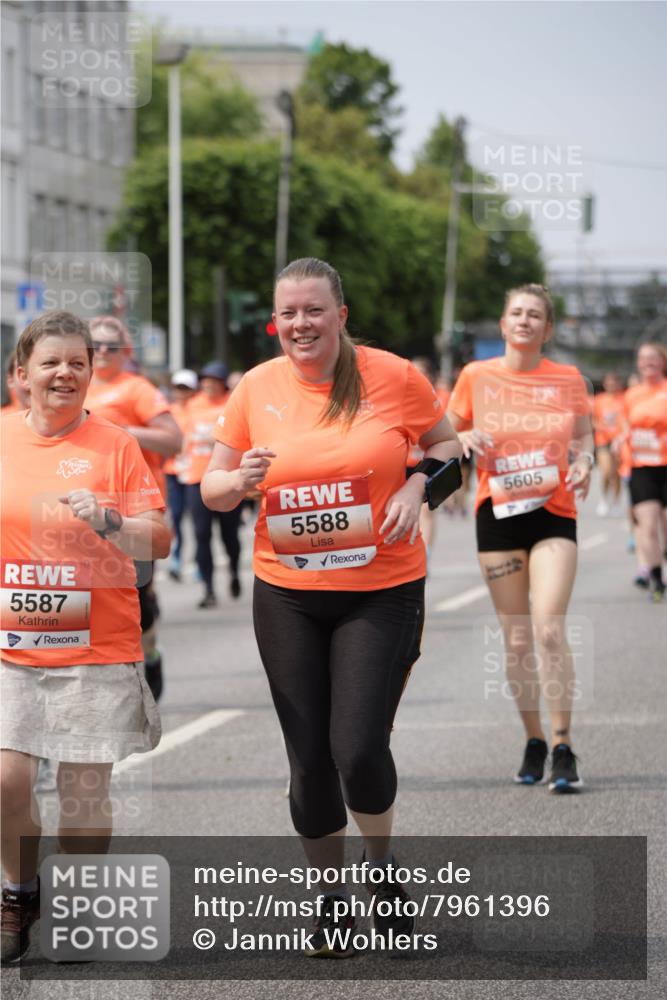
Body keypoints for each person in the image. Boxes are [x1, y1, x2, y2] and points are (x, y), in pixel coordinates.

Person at [201, 257, 461, 956]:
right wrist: (238, 479)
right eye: (287, 313)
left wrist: (416, 487)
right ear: (275, 321)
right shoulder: (256, 386)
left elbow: (448, 448)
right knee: (309, 759)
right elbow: (212, 489)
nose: (300, 324)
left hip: (381, 590)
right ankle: (330, 900)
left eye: (313, 310)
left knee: (358, 749)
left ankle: (380, 867)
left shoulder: (393, 376)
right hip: (286, 593)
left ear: (340, 316)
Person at [0, 310, 171, 964]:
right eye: (51, 362)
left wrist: (110, 520)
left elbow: (158, 539)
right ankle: (19, 891)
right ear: (22, 374)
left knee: (82, 794)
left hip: (95, 647)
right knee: (6, 781)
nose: (65, 372)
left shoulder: (115, 445)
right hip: (11, 646)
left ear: (92, 373)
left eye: (78, 362)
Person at [447, 283, 593, 793]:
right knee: (515, 637)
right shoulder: (476, 376)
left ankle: (563, 745)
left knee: (549, 628)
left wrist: (585, 460)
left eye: (534, 315)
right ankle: (533, 738)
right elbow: (441, 434)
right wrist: (461, 436)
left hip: (554, 513)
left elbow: (583, 434)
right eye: (516, 313)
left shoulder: (568, 378)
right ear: (504, 324)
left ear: (547, 330)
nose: (524, 320)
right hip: (498, 516)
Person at [85, 316, 182, 701]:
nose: (102, 352)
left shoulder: (136, 388)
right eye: (95, 345)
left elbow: (173, 440)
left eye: (111, 346)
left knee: (135, 600)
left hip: (135, 512)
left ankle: (150, 653)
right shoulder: (76, 385)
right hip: (84, 511)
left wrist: (122, 432)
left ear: (126, 351)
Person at [182, 361, 243, 607]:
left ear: (223, 384)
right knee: (201, 534)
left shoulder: (233, 403)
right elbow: (186, 436)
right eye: (205, 380)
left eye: (214, 380)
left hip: (227, 478)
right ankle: (208, 589)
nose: (208, 384)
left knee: (229, 534)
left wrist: (215, 438)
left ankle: (234, 572)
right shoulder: (192, 404)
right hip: (196, 478)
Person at [615, 342, 667, 602]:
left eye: (653, 358)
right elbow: (625, 425)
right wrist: (619, 439)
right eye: (643, 358)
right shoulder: (631, 394)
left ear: (663, 362)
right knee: (647, 526)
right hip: (641, 467)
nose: (648, 362)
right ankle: (656, 580)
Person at [164, 369, 199, 581]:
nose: (181, 392)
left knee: (197, 520)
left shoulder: (199, 408)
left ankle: (198, 561)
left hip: (195, 470)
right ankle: (176, 558)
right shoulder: (168, 411)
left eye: (185, 388)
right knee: (175, 516)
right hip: (173, 470)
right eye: (178, 388)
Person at [593, 372, 625, 516]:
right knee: (606, 471)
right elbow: (593, 419)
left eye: (614, 382)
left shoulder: (624, 398)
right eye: (609, 382)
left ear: (618, 383)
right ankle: (603, 499)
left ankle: (616, 501)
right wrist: (600, 427)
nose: (611, 385)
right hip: (603, 440)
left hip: (619, 442)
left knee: (616, 474)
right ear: (605, 384)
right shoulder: (599, 399)